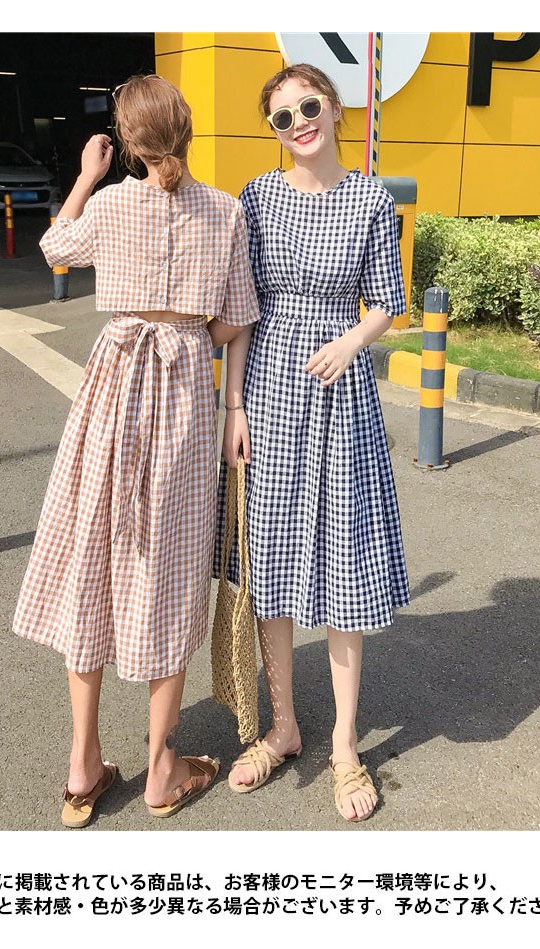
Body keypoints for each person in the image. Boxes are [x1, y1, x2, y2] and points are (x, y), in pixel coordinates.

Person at [13, 74, 259, 826]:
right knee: (170, 566)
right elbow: (235, 320)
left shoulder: (113, 202)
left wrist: (87, 177)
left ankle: (82, 765)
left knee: (93, 552)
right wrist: (203, 353)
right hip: (182, 397)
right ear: (187, 130)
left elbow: (55, 248)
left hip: (114, 390)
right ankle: (161, 769)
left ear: (126, 141)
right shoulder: (226, 210)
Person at [214, 63, 410, 823]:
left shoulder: (370, 198)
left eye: (308, 106)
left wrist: (352, 340)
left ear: (332, 107)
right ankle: (284, 726)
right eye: (282, 116)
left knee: (344, 558)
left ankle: (345, 743)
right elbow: (242, 306)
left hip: (340, 396)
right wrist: (234, 404)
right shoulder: (257, 198)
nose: (298, 122)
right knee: (271, 557)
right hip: (267, 390)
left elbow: (387, 300)